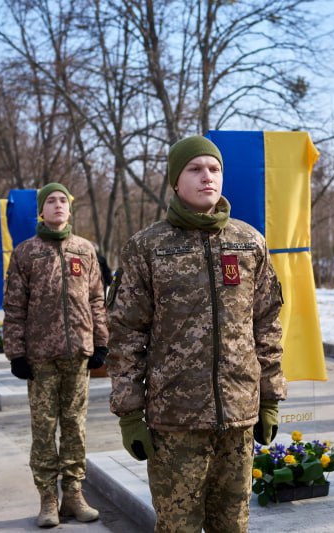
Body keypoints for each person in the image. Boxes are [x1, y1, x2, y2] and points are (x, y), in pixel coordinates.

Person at [106, 135, 287, 532]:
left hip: (239, 418)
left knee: (233, 525)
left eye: (214, 169)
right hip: (175, 423)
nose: (208, 177)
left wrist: (270, 398)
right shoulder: (147, 248)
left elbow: (267, 325)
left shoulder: (249, 243)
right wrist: (129, 413)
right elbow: (125, 335)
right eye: (195, 169)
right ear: (175, 181)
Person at [2, 183, 108, 528]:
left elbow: (96, 299)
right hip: (40, 358)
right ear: (41, 211)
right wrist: (16, 352)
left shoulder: (84, 249)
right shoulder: (26, 253)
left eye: (63, 200)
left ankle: (74, 495)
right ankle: (48, 499)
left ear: (70, 209)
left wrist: (100, 342)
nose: (58, 205)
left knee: (76, 427)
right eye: (51, 200)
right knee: (45, 429)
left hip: (77, 353)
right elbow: (14, 306)